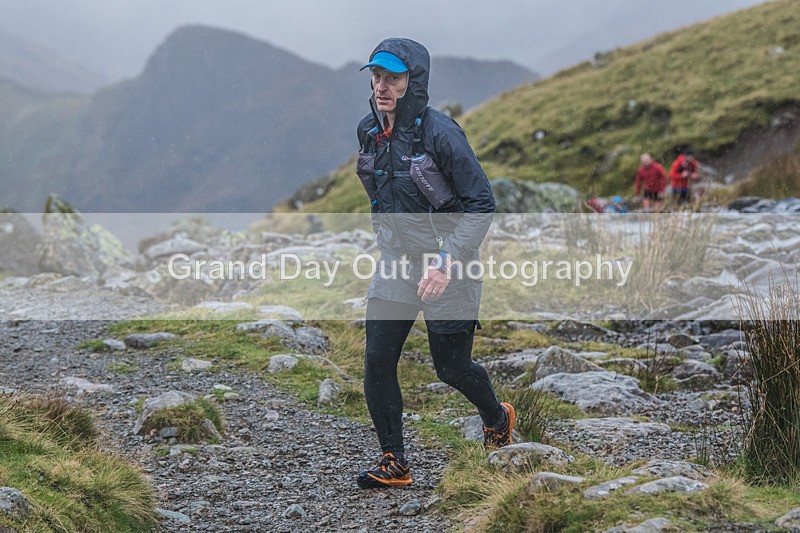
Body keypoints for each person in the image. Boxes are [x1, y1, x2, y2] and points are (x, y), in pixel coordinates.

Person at [354, 38, 515, 489]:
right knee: (377, 358)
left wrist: (446, 260)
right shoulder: (368, 129)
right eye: (377, 76)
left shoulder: (441, 134)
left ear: (413, 82)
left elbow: (482, 203)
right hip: (396, 265)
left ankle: (497, 417)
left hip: (451, 266)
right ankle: (394, 462)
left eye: (393, 77)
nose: (382, 86)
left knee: (451, 368)